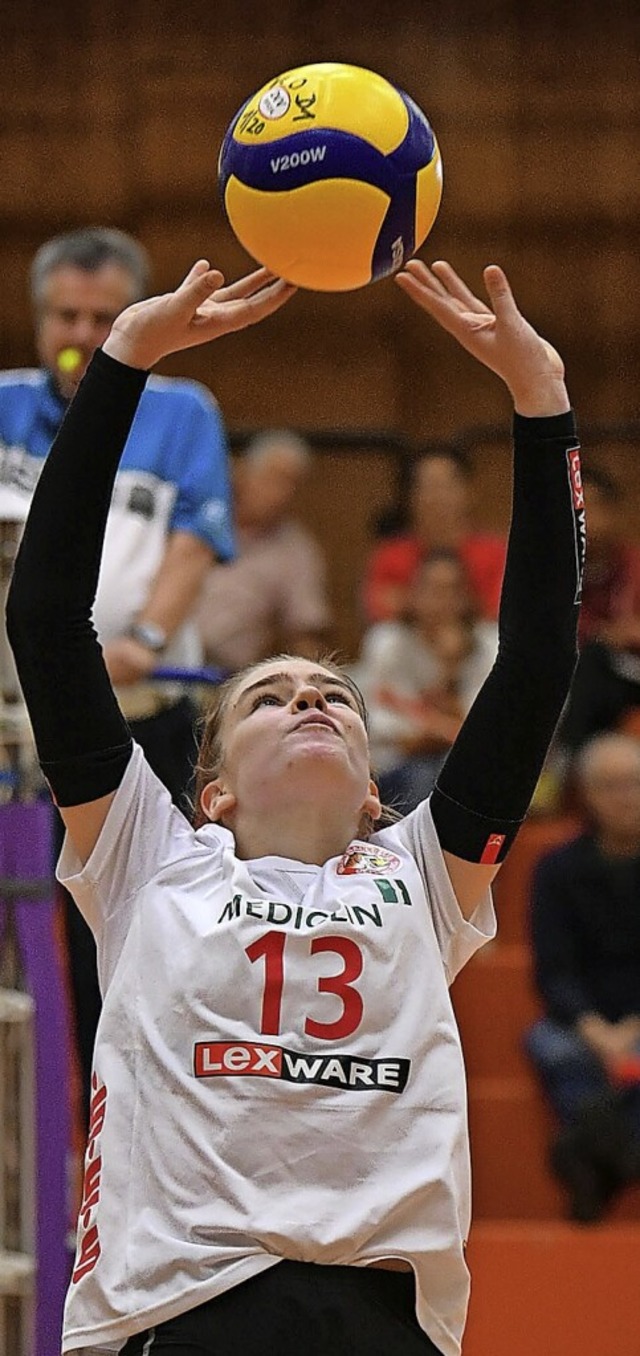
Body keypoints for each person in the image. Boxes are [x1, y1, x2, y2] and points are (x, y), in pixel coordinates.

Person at [6, 254, 583, 1356]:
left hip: (381, 1319)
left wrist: (539, 399)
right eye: (271, 696)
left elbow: (538, 659)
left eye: (333, 695)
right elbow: (44, 618)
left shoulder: (421, 874)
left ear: (373, 793)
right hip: (175, 1310)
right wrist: (125, 359)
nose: (310, 697)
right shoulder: (146, 855)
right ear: (211, 790)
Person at [0, 226, 236, 1126]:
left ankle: (123, 1142)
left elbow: (195, 541)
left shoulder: (182, 411)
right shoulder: (5, 403)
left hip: (134, 719)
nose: (85, 335)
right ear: (37, 320)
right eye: (67, 316)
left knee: (129, 945)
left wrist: (141, 634)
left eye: (107, 318)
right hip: (7, 727)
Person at [524, 731, 640, 1223]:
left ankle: (594, 1155)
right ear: (587, 793)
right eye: (611, 785)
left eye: (634, 783)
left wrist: (632, 1029)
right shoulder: (555, 870)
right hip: (581, 1024)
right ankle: (620, 1148)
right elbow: (554, 968)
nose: (625, 797)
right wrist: (597, 1031)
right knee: (548, 1045)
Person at [359, 549, 497, 810]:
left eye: (452, 590)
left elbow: (484, 725)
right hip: (397, 763)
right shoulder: (388, 641)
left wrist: (452, 671)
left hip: (460, 761)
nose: (442, 601)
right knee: (425, 774)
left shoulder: (489, 644)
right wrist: (422, 735)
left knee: (457, 769)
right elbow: (377, 718)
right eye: (432, 589)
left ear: (467, 597)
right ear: (412, 594)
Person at [197, 427, 331, 670]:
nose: (282, 495)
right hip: (154, 658)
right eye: (274, 479)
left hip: (224, 677)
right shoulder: (198, 517)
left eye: (292, 485)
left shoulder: (297, 549)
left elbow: (306, 630)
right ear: (242, 473)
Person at [362, 443, 506, 626]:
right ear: (410, 497)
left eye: (447, 486)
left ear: (469, 492)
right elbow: (378, 608)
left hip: (475, 641)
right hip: (414, 640)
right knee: (384, 639)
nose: (438, 497)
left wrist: (421, 602)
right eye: (428, 486)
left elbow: (501, 610)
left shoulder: (496, 553)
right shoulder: (390, 555)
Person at [558, 465, 640, 751]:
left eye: (590, 506)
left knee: (594, 658)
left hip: (631, 674)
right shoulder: (556, 573)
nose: (583, 518)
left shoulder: (634, 565)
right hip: (576, 675)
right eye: (575, 509)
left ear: (613, 511)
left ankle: (564, 758)